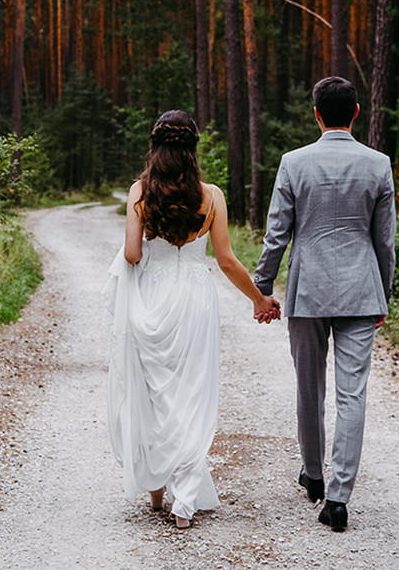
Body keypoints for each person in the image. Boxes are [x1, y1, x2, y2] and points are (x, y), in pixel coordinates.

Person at [105, 110, 279, 529]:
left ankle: (155, 493)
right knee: (191, 394)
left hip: (153, 296)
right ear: (193, 149)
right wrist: (259, 300)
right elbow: (227, 260)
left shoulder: (139, 192)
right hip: (196, 298)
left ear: (156, 147)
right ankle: (184, 502)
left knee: (153, 392)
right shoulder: (212, 195)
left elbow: (131, 254)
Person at [253, 76, 395, 532]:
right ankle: (338, 498)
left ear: (316, 114)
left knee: (309, 386)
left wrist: (263, 284)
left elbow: (278, 232)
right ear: (356, 112)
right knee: (352, 393)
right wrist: (383, 293)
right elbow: (385, 241)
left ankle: (313, 475)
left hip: (309, 289)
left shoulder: (293, 163)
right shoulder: (378, 165)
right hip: (360, 290)